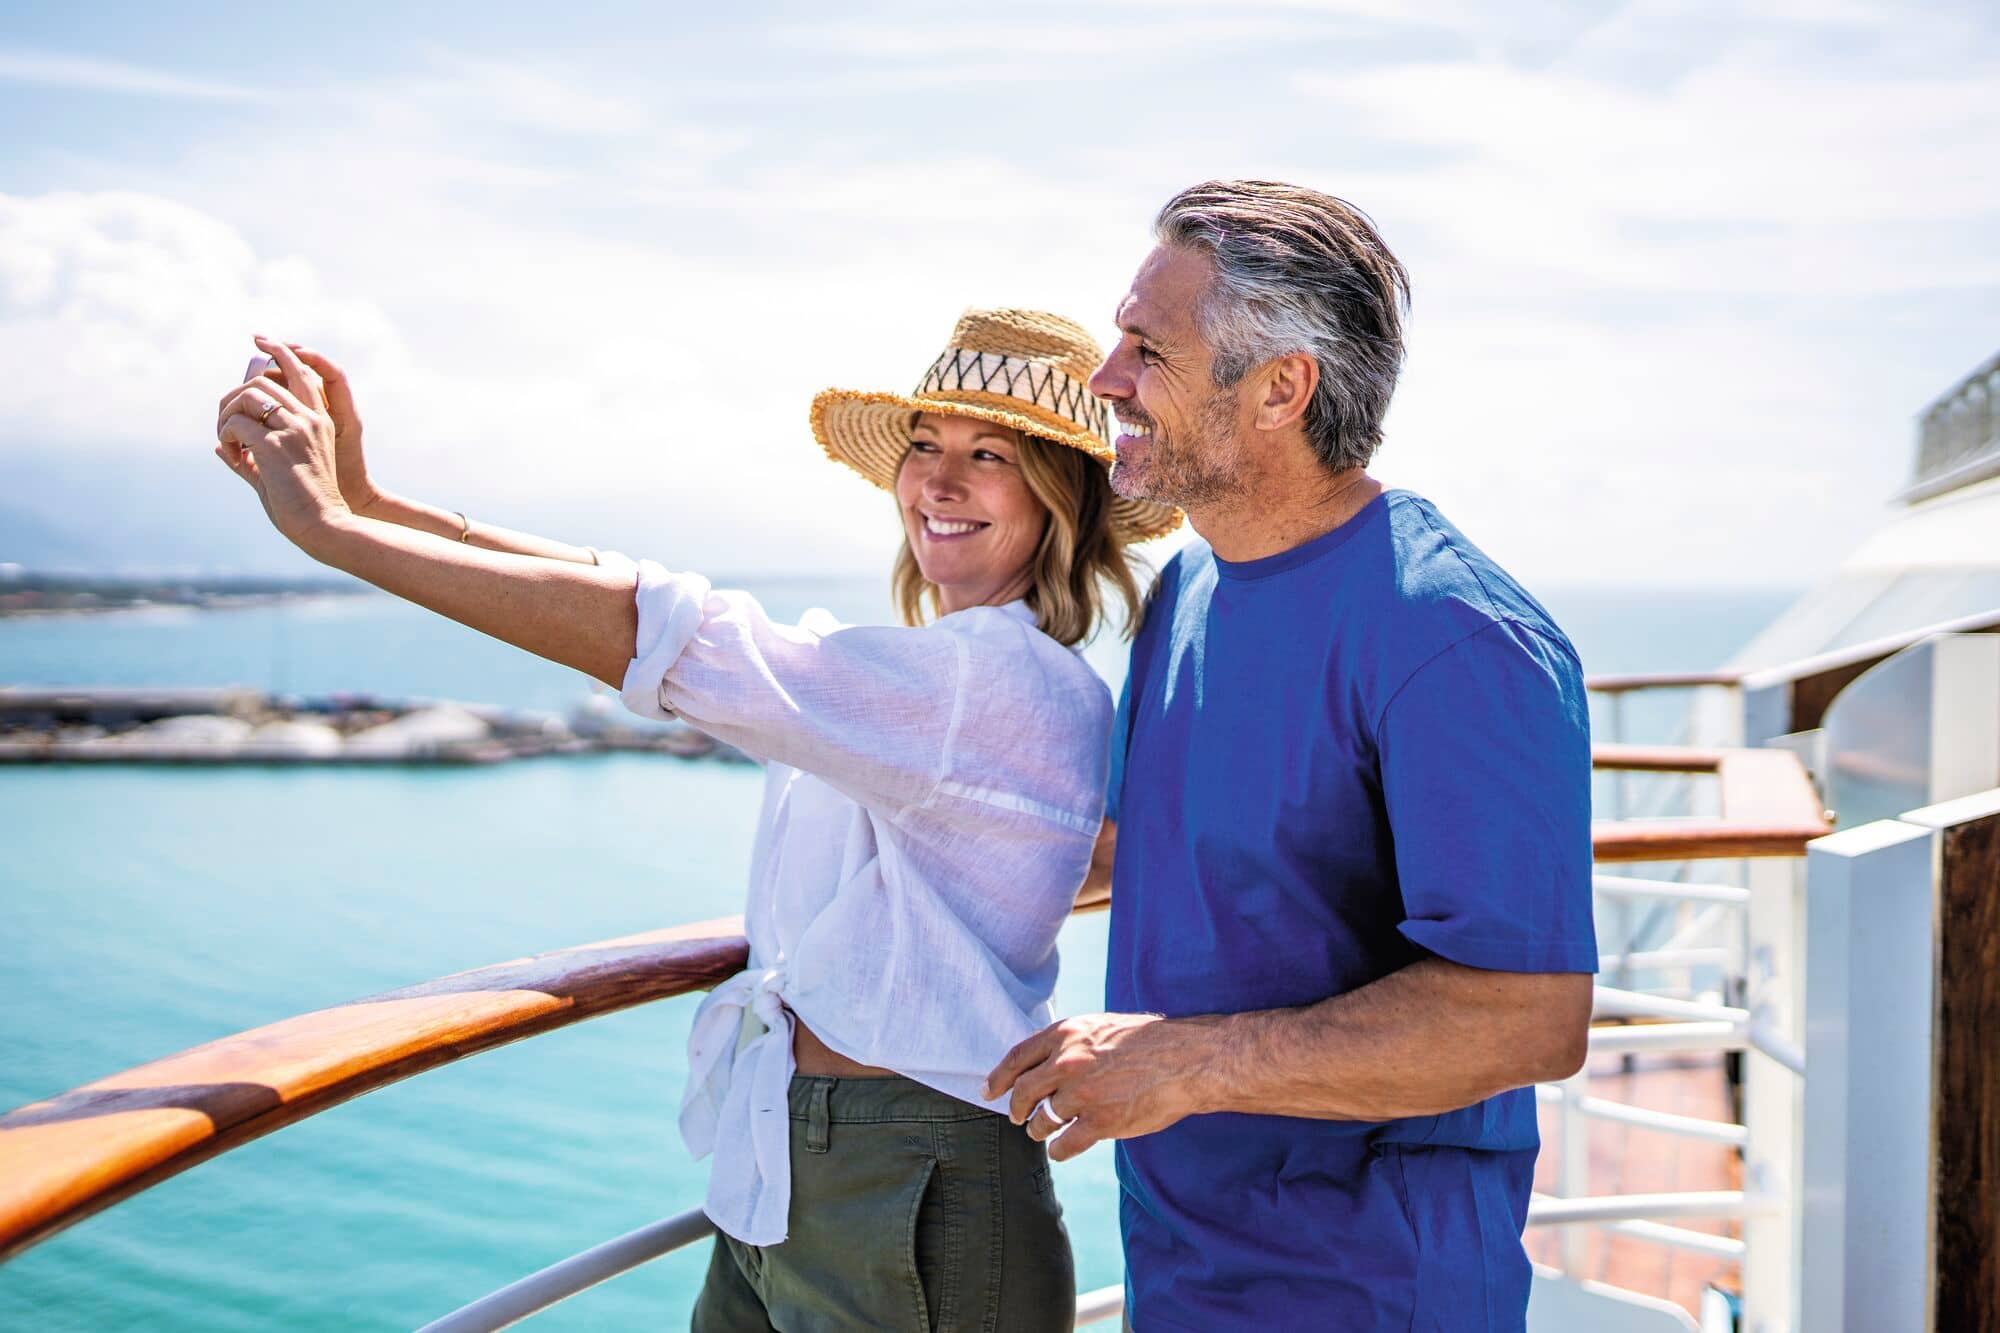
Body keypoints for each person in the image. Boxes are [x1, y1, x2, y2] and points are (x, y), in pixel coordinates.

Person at [212, 308, 1178, 1331]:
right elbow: (654, 601)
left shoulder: (980, 683)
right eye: (923, 447)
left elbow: (662, 632)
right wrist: (374, 503)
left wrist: (338, 533)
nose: (937, 482)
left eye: (987, 455)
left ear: (1058, 494)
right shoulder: (923, 681)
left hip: (906, 1176)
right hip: (811, 1162)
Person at [985, 181, 1599, 1330]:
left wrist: (1179, 1065)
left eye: (1145, 349)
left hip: (1367, 1294)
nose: (1104, 379)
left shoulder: (1454, 638)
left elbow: (1526, 1017)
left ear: (1280, 387)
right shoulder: (1186, 587)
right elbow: (1154, 847)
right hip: (1182, 1275)